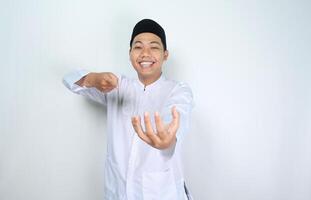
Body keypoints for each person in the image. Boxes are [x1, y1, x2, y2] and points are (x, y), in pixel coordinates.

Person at [63, 19, 193, 200]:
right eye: (138, 47)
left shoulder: (178, 90)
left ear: (165, 55)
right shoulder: (115, 85)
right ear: (130, 53)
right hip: (118, 191)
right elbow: (69, 80)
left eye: (154, 47)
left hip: (162, 193)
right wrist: (92, 78)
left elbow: (177, 118)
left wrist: (167, 140)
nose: (145, 53)